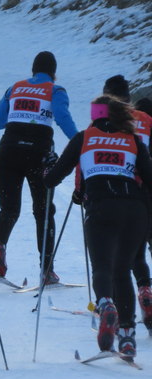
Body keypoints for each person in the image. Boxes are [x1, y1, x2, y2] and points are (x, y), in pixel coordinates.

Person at [45, 95, 152, 359]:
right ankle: (127, 336)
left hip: (101, 206)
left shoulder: (84, 137)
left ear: (95, 115)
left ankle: (105, 304)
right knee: (122, 271)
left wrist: (48, 167)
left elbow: (53, 178)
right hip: (134, 210)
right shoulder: (132, 139)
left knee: (103, 267)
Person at [0, 51, 78, 285]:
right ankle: (47, 270)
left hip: (7, 152)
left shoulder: (14, 88)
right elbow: (62, 117)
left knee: (9, 208)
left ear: (33, 69)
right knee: (43, 211)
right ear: (53, 73)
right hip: (38, 155)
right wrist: (80, 142)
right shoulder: (55, 90)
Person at [101, 75, 152, 333]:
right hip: (147, 189)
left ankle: (119, 300)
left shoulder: (105, 118)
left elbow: (91, 146)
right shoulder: (146, 118)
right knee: (142, 247)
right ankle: (146, 291)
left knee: (120, 252)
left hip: (119, 189)